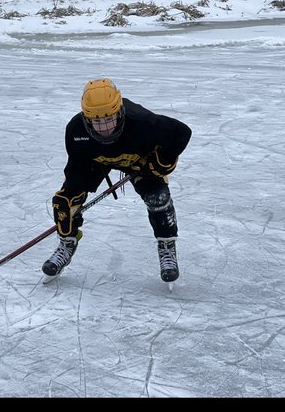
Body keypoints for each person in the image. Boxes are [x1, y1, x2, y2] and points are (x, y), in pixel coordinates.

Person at [43, 78, 192, 284]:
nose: (104, 128)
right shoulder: (76, 130)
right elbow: (76, 169)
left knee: (158, 197)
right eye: (97, 122)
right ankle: (67, 243)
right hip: (97, 161)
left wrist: (161, 163)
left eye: (109, 119)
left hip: (138, 162)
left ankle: (167, 246)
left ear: (119, 111)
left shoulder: (142, 122)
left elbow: (181, 133)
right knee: (64, 202)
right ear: (86, 118)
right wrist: (72, 197)